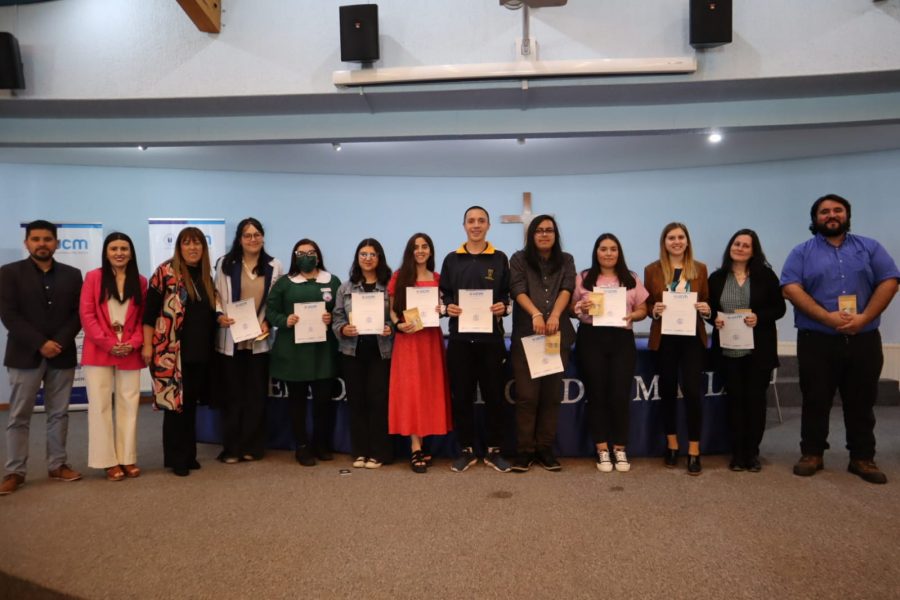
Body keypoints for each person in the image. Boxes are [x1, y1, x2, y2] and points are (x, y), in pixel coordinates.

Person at [781, 194, 899, 484]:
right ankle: (812, 453)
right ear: (815, 218)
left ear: (847, 215)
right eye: (824, 212)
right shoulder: (802, 252)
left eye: (837, 210)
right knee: (815, 399)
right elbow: (791, 288)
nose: (831, 215)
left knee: (861, 400)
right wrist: (827, 318)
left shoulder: (870, 248)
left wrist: (864, 318)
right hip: (817, 339)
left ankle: (862, 458)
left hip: (864, 338)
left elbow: (890, 281)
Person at [0, 220, 83, 496]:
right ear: (27, 243)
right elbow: (9, 315)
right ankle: (14, 471)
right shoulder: (9, 273)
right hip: (24, 355)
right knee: (18, 416)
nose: (42, 244)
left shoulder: (73, 275)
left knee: (58, 413)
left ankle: (57, 465)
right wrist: (40, 343)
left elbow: (77, 315)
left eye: (47, 239)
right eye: (36, 239)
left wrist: (57, 342)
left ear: (56, 243)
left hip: (62, 353)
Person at [439, 205, 512, 473]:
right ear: (464, 226)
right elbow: (444, 294)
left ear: (488, 226)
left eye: (481, 220)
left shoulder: (500, 258)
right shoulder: (451, 259)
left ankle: (494, 450)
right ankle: (466, 450)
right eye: (471, 221)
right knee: (462, 398)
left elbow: (507, 295)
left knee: (495, 397)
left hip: (491, 341)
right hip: (459, 340)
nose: (476, 225)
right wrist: (449, 307)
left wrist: (504, 306)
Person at [142, 227, 218, 477]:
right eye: (187, 243)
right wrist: (147, 345)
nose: (193, 247)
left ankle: (189, 454)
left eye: (197, 243)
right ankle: (176, 458)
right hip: (170, 352)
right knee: (175, 407)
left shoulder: (207, 275)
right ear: (179, 247)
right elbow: (149, 313)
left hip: (200, 350)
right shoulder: (164, 272)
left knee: (191, 404)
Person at [708, 229, 785, 473]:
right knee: (735, 402)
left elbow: (779, 308)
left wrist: (758, 316)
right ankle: (737, 452)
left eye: (746, 245)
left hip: (758, 351)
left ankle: (752, 452)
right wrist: (714, 320)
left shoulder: (766, 276)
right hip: (728, 350)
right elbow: (709, 310)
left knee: (755, 402)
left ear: (754, 251)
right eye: (736, 243)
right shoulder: (717, 277)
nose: (740, 248)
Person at [571, 233, 648, 473]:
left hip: (621, 339)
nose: (608, 253)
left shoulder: (631, 278)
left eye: (613, 249)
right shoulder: (584, 278)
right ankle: (602, 449)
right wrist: (580, 307)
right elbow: (573, 310)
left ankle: (620, 448)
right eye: (603, 249)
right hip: (591, 337)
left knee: (619, 395)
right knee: (597, 394)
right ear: (596, 252)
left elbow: (643, 308)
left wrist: (633, 315)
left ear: (619, 252)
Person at [508, 215, 576, 472]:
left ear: (556, 234)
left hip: (556, 337)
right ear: (532, 235)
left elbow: (567, 288)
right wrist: (536, 313)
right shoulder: (519, 259)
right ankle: (525, 451)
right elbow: (517, 289)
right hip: (527, 336)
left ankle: (544, 449)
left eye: (549, 230)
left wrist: (556, 315)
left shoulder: (566, 260)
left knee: (551, 396)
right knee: (527, 397)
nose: (544, 234)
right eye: (539, 230)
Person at [213, 218, 283, 464]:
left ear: (263, 237)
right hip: (230, 339)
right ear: (239, 239)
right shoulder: (225, 264)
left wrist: (268, 322)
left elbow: (274, 302)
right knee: (232, 395)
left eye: (257, 234)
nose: (253, 239)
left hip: (258, 340)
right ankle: (231, 448)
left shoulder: (274, 266)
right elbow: (217, 295)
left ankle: (252, 446)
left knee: (255, 395)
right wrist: (220, 315)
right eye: (247, 235)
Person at [80, 232, 148, 481]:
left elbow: (143, 319)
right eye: (114, 248)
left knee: (129, 404)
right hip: (99, 350)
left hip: (129, 350)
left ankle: (127, 457)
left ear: (131, 253)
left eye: (124, 248)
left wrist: (133, 343)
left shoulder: (140, 281)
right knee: (100, 405)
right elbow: (87, 315)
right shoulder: (94, 278)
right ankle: (107, 461)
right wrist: (109, 343)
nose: (119, 253)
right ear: (106, 253)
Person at [267, 239, 340, 467]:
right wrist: (284, 320)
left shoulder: (332, 281)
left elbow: (342, 311)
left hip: (322, 353)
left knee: (322, 403)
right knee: (297, 404)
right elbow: (270, 311)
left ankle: (320, 443)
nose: (306, 256)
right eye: (301, 253)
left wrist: (331, 317)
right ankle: (302, 446)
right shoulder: (284, 284)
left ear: (318, 256)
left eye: (311, 252)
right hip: (293, 355)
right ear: (294, 256)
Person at [644, 222, 710, 475]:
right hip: (665, 338)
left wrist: (706, 308)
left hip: (692, 338)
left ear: (687, 241)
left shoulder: (700, 269)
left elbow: (706, 300)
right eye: (671, 238)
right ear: (664, 242)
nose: (677, 241)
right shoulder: (652, 270)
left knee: (693, 392)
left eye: (681, 237)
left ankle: (694, 449)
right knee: (668, 391)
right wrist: (654, 310)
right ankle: (671, 444)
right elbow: (648, 304)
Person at [387, 233, 451, 473]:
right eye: (416, 247)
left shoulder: (438, 279)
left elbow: (445, 307)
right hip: (408, 341)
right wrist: (397, 324)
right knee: (411, 391)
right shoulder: (399, 277)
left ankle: (424, 442)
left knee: (428, 390)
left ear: (431, 251)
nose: (421, 251)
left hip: (430, 341)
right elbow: (392, 310)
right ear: (409, 251)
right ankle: (415, 447)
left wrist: (441, 309)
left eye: (425, 247)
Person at [333, 238, 395, 469]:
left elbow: (399, 316)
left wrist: (392, 327)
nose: (368, 258)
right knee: (356, 401)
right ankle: (360, 451)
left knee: (378, 402)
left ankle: (379, 453)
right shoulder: (345, 288)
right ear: (357, 258)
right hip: (352, 352)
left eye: (372, 254)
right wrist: (342, 328)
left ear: (379, 258)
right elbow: (337, 317)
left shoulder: (389, 287)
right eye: (363, 254)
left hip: (381, 351)